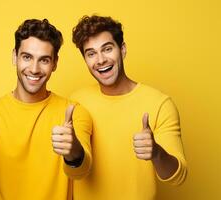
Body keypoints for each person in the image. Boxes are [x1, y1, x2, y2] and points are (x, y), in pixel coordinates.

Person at [0, 19, 92, 200]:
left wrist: (73, 151)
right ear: (14, 57)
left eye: (44, 60)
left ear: (55, 63)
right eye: (27, 57)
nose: (34, 69)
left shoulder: (74, 113)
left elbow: (81, 171)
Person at [71, 15, 187, 200]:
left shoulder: (160, 104)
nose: (100, 60)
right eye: (91, 53)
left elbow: (177, 176)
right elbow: (73, 172)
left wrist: (156, 152)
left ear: (122, 50)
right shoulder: (76, 102)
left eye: (107, 49)